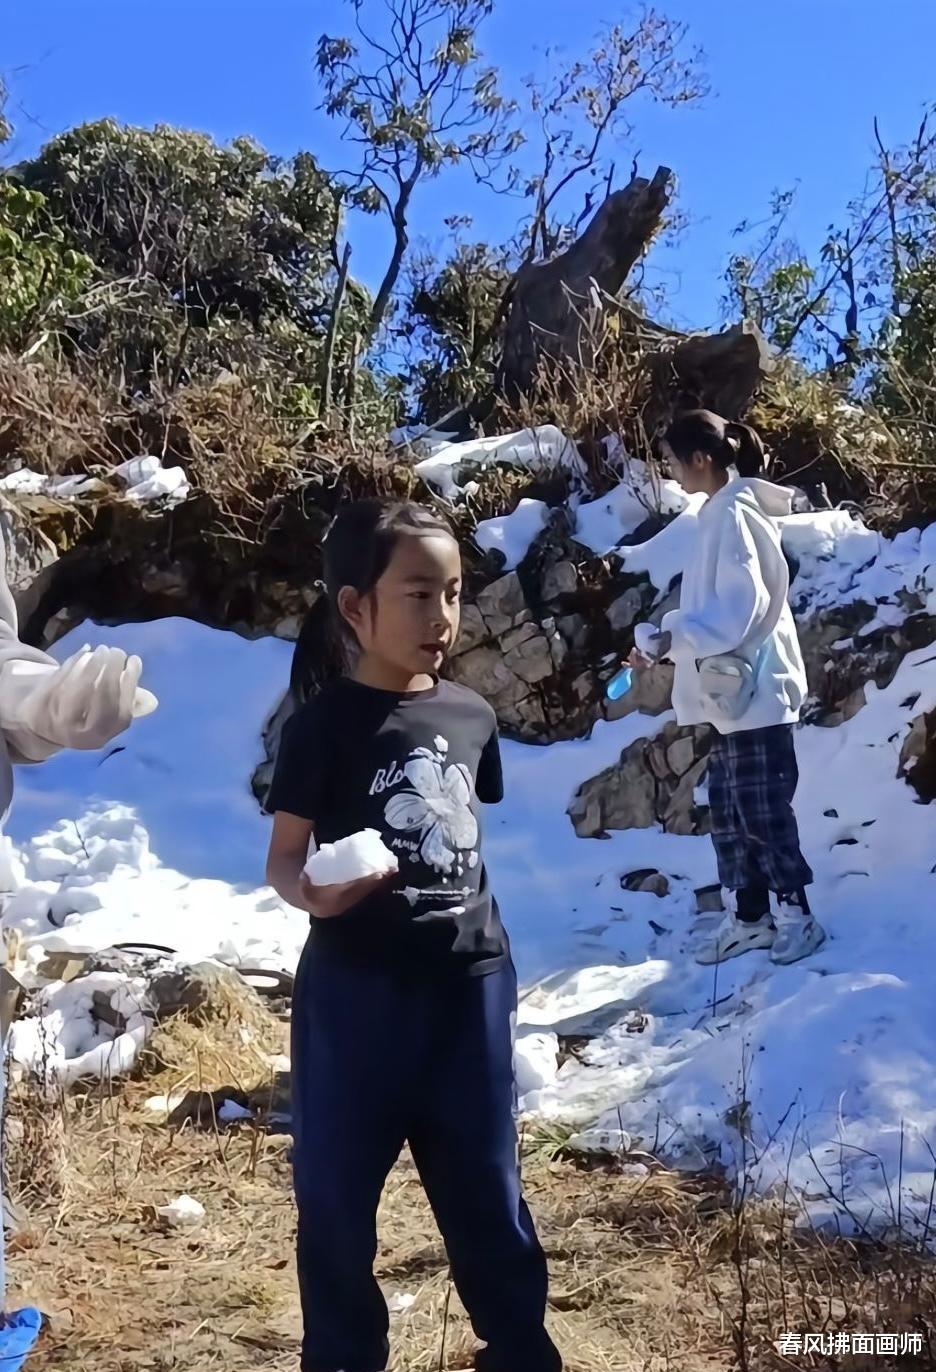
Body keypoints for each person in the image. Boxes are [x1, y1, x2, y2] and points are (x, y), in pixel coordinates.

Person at [265, 499, 561, 1372]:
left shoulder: (472, 716)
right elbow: (285, 859)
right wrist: (314, 896)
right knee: (334, 1201)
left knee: (488, 1194)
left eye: (456, 594)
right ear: (356, 608)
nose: (442, 618)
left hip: (470, 988)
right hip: (358, 999)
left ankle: (519, 1350)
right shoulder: (319, 728)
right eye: (419, 595)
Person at [630, 410, 825, 967]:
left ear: (701, 458)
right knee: (732, 812)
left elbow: (741, 610)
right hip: (736, 700)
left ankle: (796, 916)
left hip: (758, 696)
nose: (669, 472)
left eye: (671, 460)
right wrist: (664, 637)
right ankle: (751, 917)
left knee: (762, 812)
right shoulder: (720, 513)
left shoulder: (736, 513)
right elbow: (719, 610)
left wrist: (673, 638)